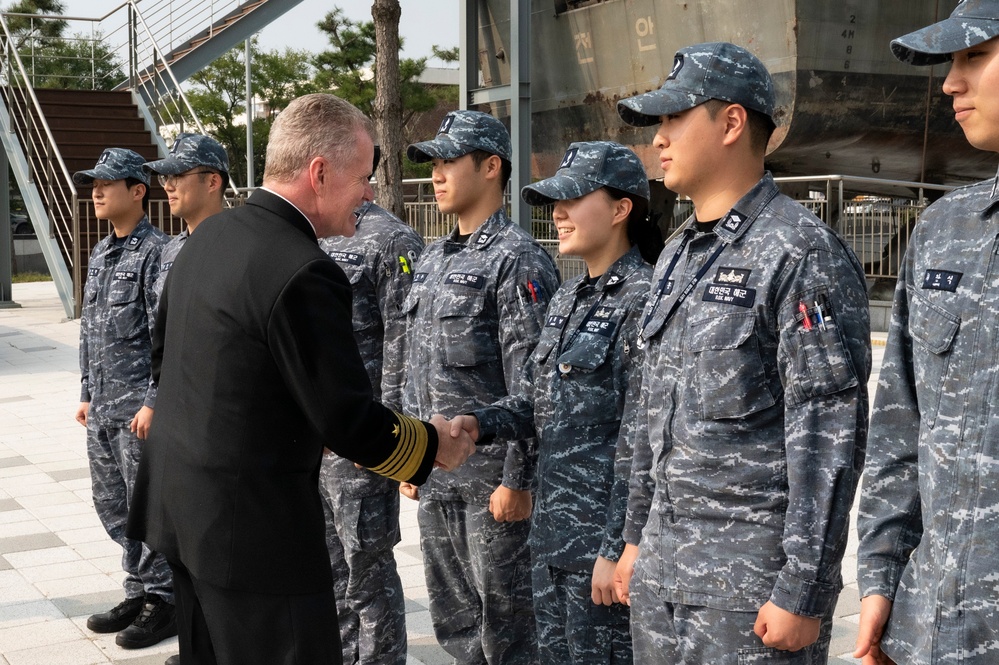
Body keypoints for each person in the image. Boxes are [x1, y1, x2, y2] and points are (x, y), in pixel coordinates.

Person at [125, 93, 475, 665]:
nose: (368, 193)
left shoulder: (207, 238)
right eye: (362, 177)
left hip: (182, 513)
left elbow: (166, 365)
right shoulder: (303, 269)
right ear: (319, 173)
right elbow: (344, 419)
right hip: (254, 537)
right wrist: (434, 445)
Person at [612, 42, 872, 663]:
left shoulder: (799, 252)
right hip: (663, 578)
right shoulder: (678, 253)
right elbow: (653, 414)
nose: (659, 138)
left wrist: (804, 591)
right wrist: (632, 539)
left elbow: (827, 437)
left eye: (675, 118)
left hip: (748, 596)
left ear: (731, 123)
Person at [450, 141, 662, 664]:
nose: (557, 213)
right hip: (549, 542)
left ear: (620, 209)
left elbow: (640, 443)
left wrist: (615, 548)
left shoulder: (644, 300)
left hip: (598, 551)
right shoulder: (568, 297)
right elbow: (536, 403)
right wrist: (478, 423)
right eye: (553, 200)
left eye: (572, 198)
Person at [854, 6, 999, 665]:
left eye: (972, 57)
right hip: (933, 625)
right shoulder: (944, 230)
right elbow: (900, 424)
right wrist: (880, 578)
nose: (948, 83)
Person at [400, 109, 561, 664]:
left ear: (491, 166)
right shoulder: (432, 259)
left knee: (510, 628)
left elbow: (535, 387)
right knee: (456, 623)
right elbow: (413, 365)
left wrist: (519, 479)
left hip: (493, 490)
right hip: (438, 479)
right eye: (434, 163)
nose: (437, 174)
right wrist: (409, 458)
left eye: (449, 161)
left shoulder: (518, 260)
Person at [72, 148, 175, 649]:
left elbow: (167, 336)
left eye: (107, 183)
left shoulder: (159, 252)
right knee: (112, 505)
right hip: (104, 408)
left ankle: (164, 599)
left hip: (138, 409)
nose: (96, 191)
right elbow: (91, 329)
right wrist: (88, 392)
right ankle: (137, 587)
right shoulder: (100, 252)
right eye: (94, 183)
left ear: (138, 191)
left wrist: (154, 401)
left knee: (146, 506)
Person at [317, 199, 424, 665]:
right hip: (316, 438)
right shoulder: (315, 231)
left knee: (368, 571)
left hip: (362, 443)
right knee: (330, 572)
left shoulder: (391, 240)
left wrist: (391, 441)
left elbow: (405, 343)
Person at [144, 132, 230, 294]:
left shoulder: (238, 248)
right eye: (166, 177)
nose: (167, 186)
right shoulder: (170, 250)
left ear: (212, 182)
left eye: (177, 175)